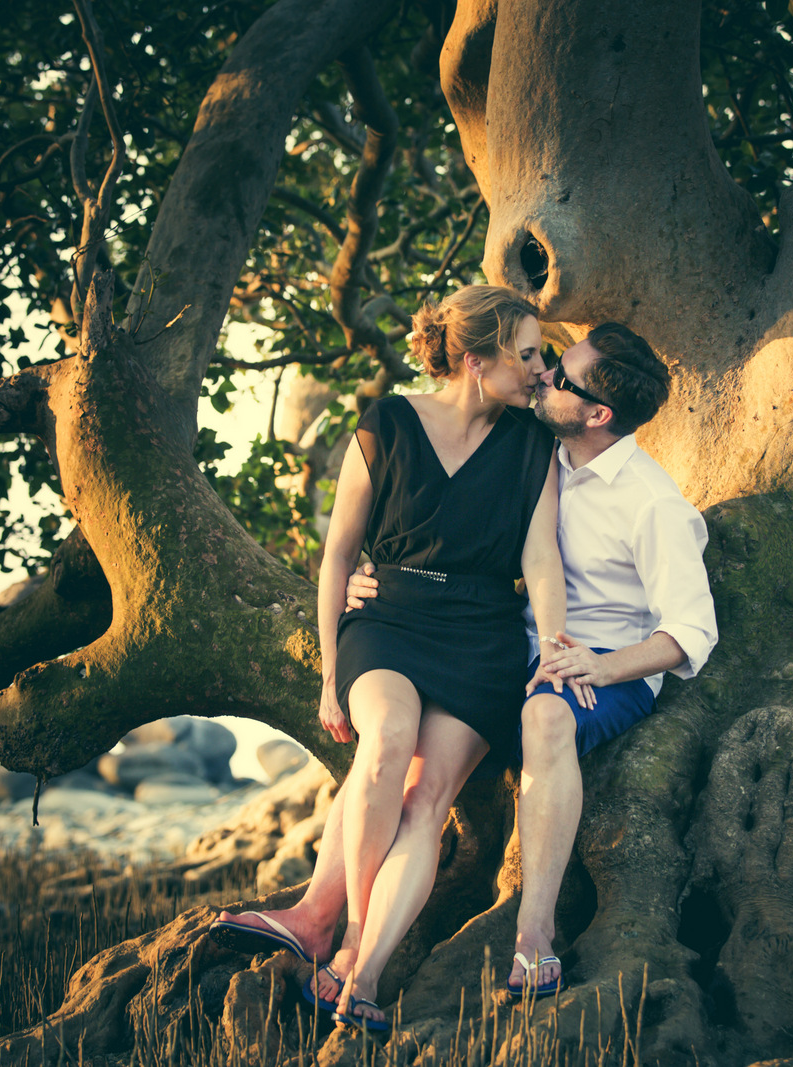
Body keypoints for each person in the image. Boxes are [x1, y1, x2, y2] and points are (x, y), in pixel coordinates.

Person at [213, 322, 717, 1008]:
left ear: (598, 413)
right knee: (397, 757)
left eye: (561, 378)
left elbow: (691, 632)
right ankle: (325, 925)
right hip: (503, 645)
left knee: (539, 719)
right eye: (548, 364)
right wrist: (376, 574)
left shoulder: (653, 502)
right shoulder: (539, 448)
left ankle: (532, 933)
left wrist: (598, 665)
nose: (546, 378)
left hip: (598, 669)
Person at [212, 286, 567, 1030]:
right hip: (390, 621)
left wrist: (555, 646)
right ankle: (342, 936)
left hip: (482, 636)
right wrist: (330, 676)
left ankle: (362, 973)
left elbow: (540, 559)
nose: (542, 369)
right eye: (529, 354)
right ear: (478, 360)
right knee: (385, 748)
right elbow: (338, 554)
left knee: (426, 798)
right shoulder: (388, 423)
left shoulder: (535, 443)